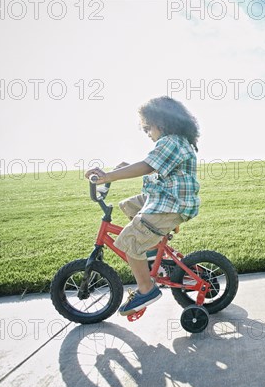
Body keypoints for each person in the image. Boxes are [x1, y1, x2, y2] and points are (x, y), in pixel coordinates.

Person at [85, 96, 200, 316]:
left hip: (170, 205)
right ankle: (149, 249)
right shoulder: (176, 142)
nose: (147, 133)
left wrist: (109, 176)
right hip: (165, 199)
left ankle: (146, 289)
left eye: (147, 127)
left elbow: (147, 166)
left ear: (161, 122)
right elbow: (155, 168)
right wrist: (125, 168)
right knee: (128, 206)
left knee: (129, 239)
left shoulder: (171, 141)